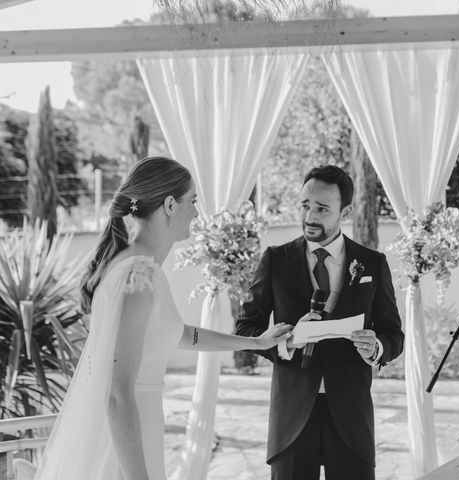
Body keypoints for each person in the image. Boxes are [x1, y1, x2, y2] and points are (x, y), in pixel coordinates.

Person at [34, 156, 292, 480]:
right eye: (193, 202)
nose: (197, 213)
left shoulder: (138, 266)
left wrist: (256, 342)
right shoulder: (139, 275)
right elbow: (118, 393)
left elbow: (181, 335)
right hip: (123, 441)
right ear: (170, 204)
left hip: (140, 427)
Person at [235, 165, 405, 480]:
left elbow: (394, 334)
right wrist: (287, 342)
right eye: (305, 205)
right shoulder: (276, 260)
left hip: (351, 418)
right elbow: (246, 328)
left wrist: (377, 347)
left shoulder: (372, 264)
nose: (310, 216)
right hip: (292, 419)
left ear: (346, 211)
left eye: (322, 208)